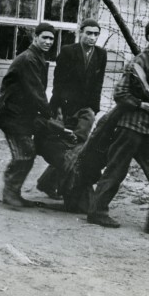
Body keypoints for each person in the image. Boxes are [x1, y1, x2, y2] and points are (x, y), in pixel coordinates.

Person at [87, 18, 149, 238]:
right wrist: (143, 105)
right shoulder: (137, 63)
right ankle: (97, 212)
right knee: (116, 171)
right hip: (130, 128)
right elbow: (120, 94)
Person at [37, 18, 107, 199]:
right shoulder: (68, 52)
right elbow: (59, 83)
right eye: (89, 33)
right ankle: (48, 183)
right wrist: (59, 108)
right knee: (70, 147)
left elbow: (98, 84)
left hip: (86, 109)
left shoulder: (100, 55)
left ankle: (49, 183)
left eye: (96, 34)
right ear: (80, 33)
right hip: (66, 107)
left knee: (78, 144)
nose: (92, 37)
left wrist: (94, 109)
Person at [0, 22, 56, 208]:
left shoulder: (37, 58)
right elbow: (36, 92)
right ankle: (10, 193)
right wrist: (50, 116)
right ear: (35, 38)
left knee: (27, 152)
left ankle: (13, 192)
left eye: (51, 38)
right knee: (24, 153)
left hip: (20, 116)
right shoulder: (29, 59)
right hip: (11, 115)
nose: (48, 41)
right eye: (45, 37)